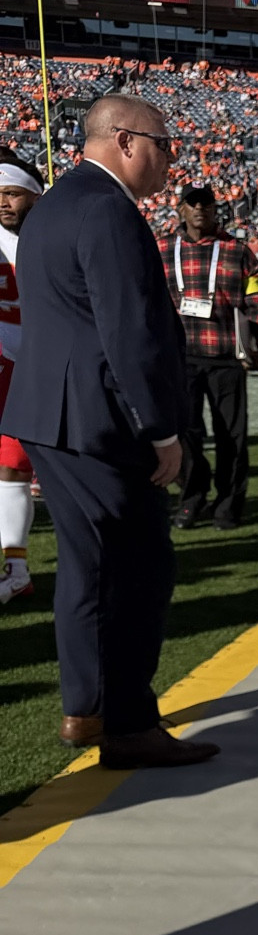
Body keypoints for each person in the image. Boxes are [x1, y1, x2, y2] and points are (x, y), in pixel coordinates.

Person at [0, 93, 219, 769]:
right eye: (164, 142)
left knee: (89, 567)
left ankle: (85, 706)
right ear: (126, 141)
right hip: (99, 419)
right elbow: (129, 333)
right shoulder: (108, 210)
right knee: (139, 568)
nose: (170, 158)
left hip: (51, 413)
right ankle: (126, 723)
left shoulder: (55, 206)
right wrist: (162, 431)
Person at [169, 183, 258, 532]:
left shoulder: (237, 251)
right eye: (193, 203)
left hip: (226, 354)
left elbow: (256, 300)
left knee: (232, 435)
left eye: (207, 204)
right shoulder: (161, 249)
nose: (200, 209)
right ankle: (192, 495)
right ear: (181, 209)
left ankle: (228, 503)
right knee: (183, 433)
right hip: (179, 355)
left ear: (216, 210)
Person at [0, 148, 43, 606]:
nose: (3, 202)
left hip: (48, 363)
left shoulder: (53, 231)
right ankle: (16, 567)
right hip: (6, 362)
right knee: (8, 470)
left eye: (12, 193)